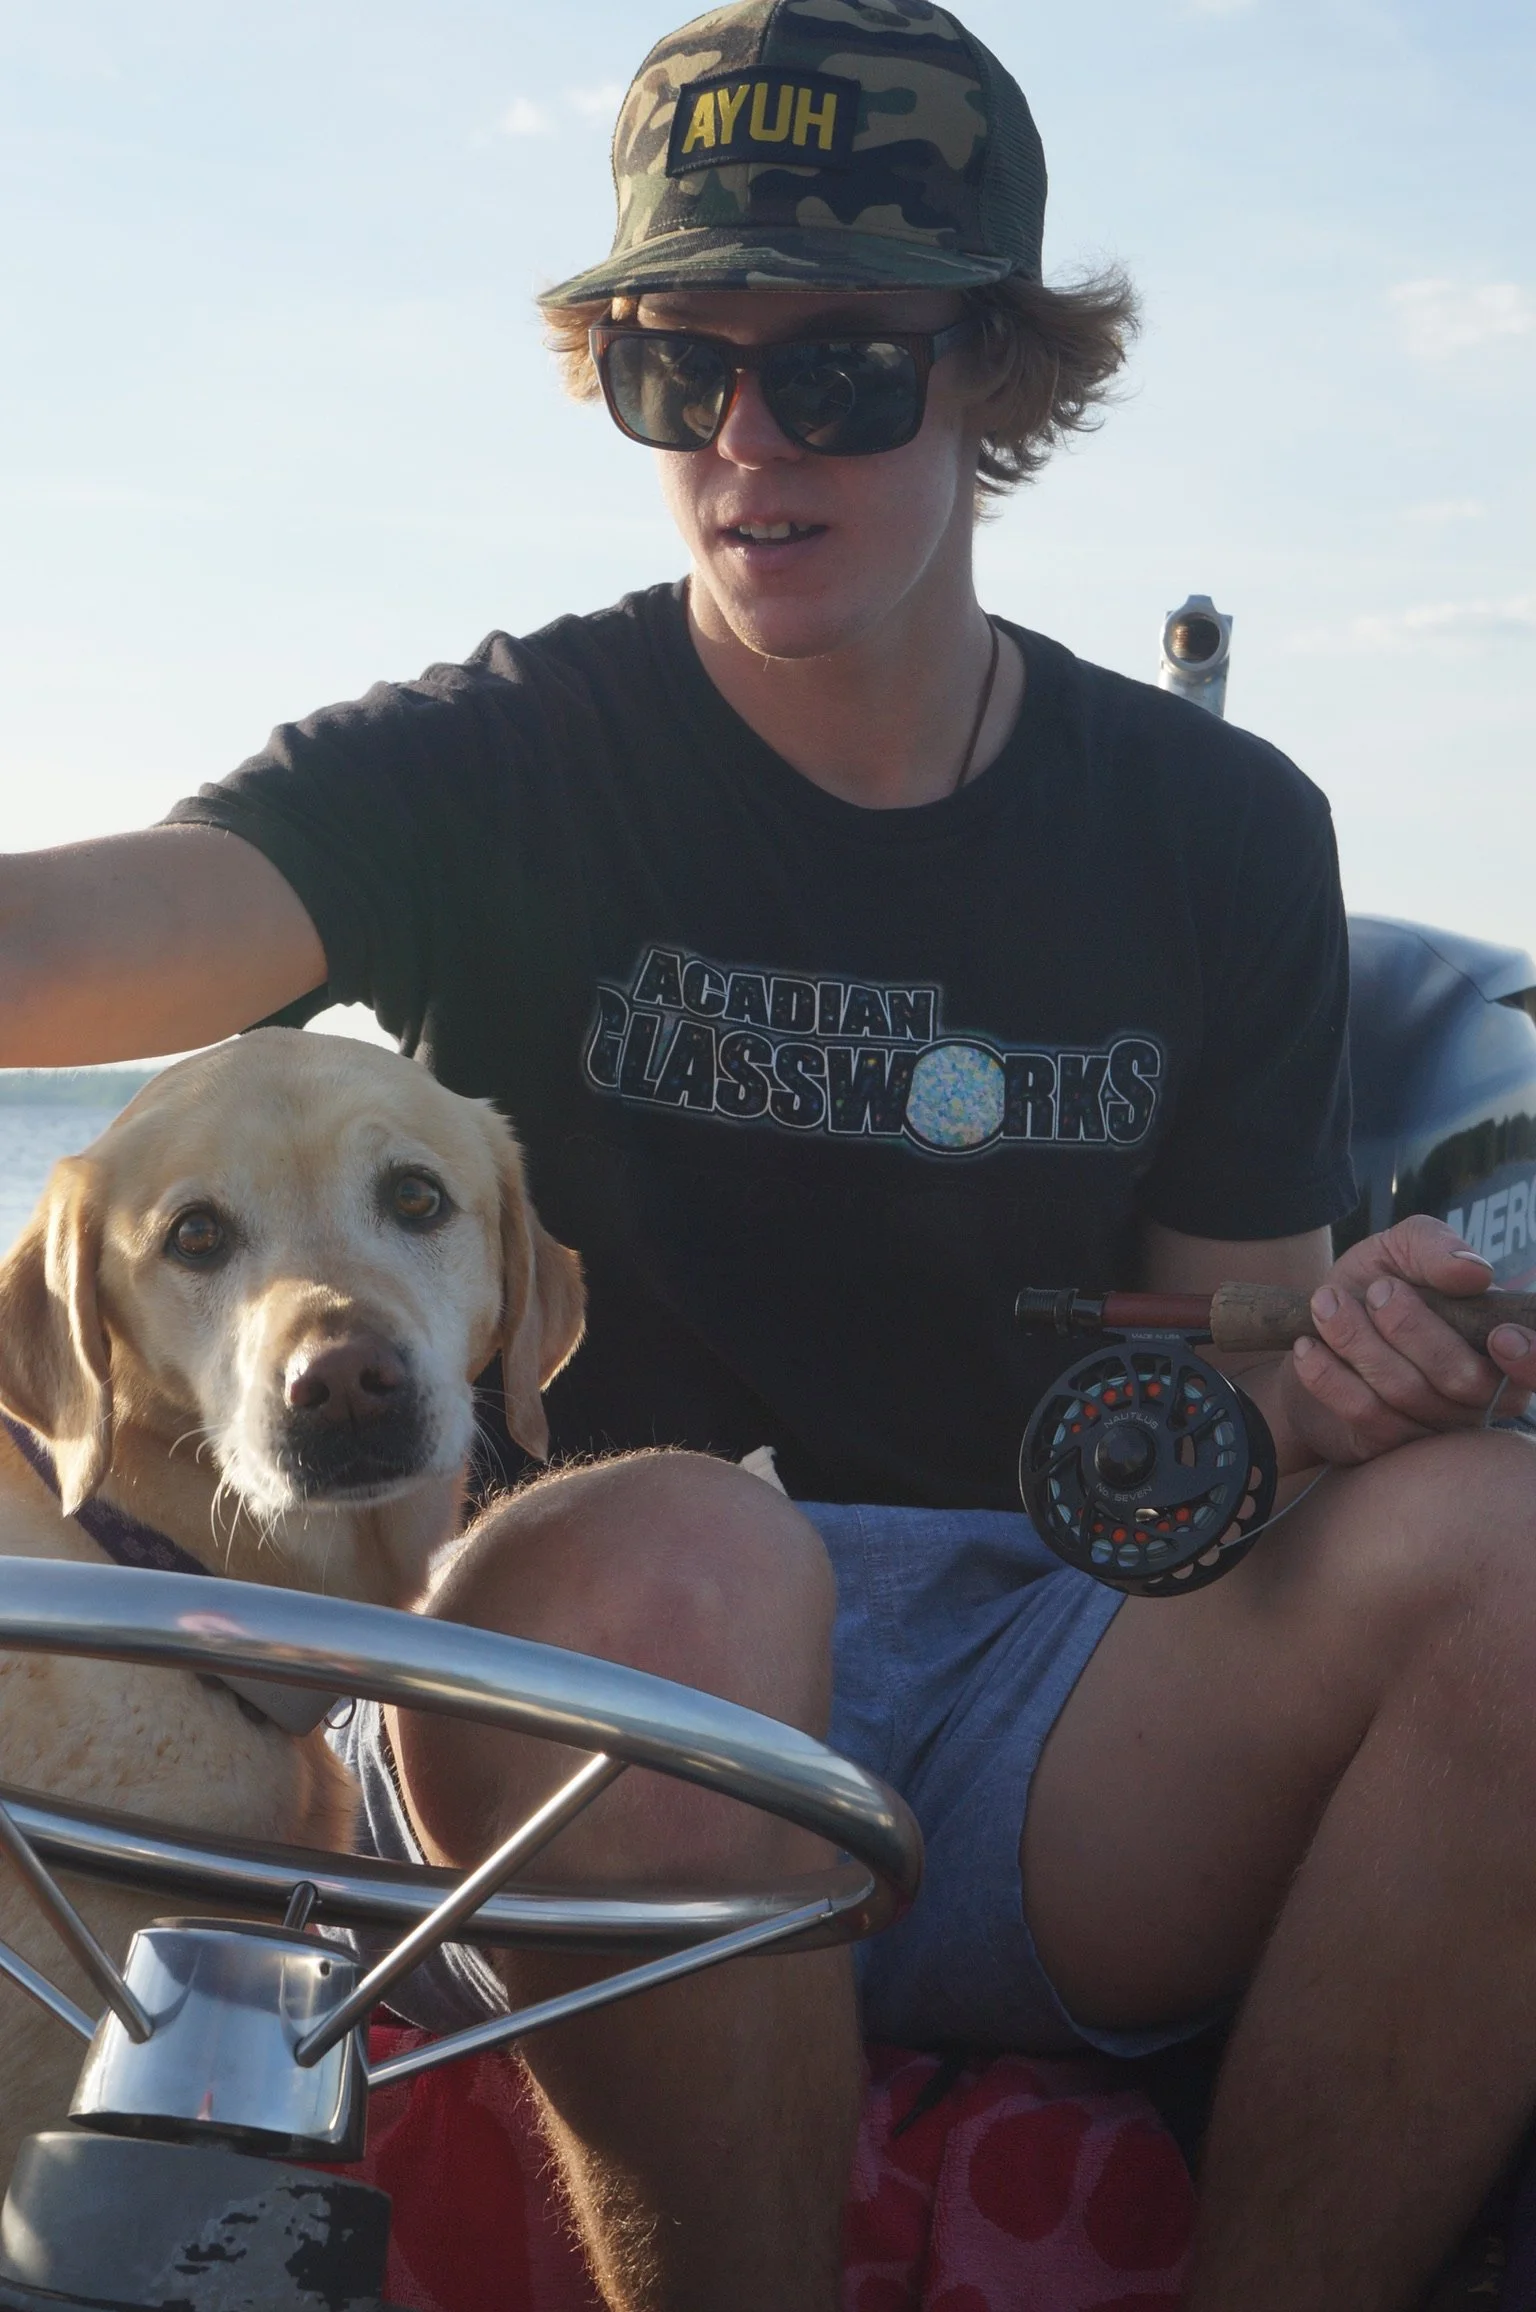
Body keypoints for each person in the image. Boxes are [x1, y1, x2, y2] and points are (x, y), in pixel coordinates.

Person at [3, 4, 1535, 2307]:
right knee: (693, 1554)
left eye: (835, 370)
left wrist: (1332, 1403)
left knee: (1508, 1552)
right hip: (584, 1694)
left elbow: (1225, 1419)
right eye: (671, 366)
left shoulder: (1225, 830)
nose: (745, 438)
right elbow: (62, 944)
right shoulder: (503, 760)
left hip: (1053, 1684)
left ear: (996, 379)